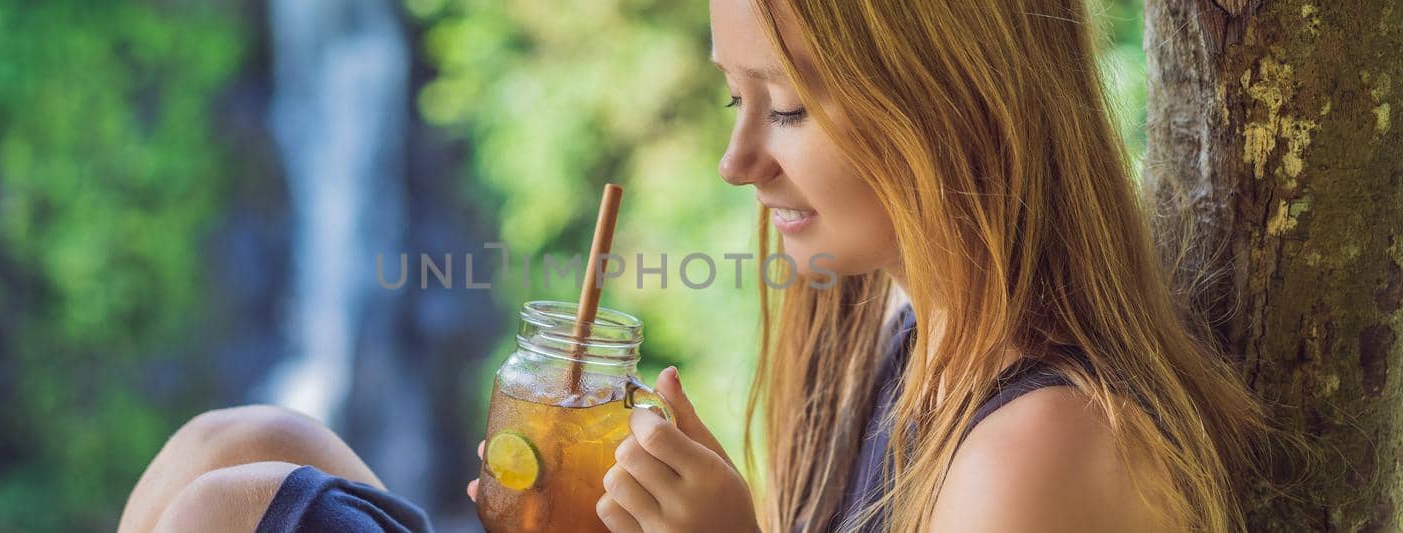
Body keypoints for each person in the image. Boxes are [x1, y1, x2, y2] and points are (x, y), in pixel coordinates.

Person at [121, 0, 1267, 531]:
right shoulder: (883, 310)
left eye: (787, 109)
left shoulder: (1040, 452)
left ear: (951, 102)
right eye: (734, 97)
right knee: (234, 441)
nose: (736, 159)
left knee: (230, 510)